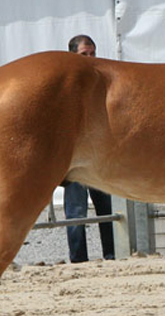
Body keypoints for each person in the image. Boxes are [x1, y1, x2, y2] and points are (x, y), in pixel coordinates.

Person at [62, 34, 114, 263]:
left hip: (98, 156)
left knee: (108, 209)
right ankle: (78, 261)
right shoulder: (64, 85)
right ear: (72, 56)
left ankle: (111, 254)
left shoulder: (101, 81)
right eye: (84, 54)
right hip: (74, 158)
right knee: (76, 212)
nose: (90, 58)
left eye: (93, 53)